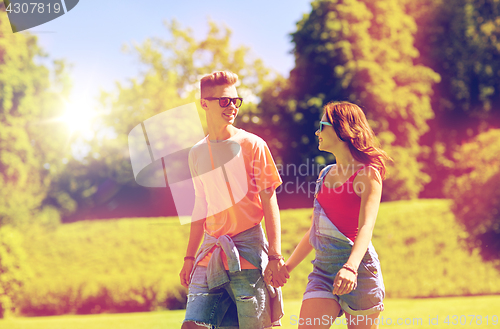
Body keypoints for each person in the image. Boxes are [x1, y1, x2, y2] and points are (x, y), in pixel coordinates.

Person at [267, 101, 392, 329]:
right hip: (323, 272)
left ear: (341, 128)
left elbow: (366, 226)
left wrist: (350, 267)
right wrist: (288, 267)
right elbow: (316, 229)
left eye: (322, 125)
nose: (317, 132)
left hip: (359, 270)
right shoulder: (324, 175)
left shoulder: (368, 174)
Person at [179, 71, 288, 329]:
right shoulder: (196, 153)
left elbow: (269, 200)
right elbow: (200, 206)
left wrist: (275, 255)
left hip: (247, 253)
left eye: (235, 101)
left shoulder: (253, 145)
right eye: (224, 101)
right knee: (192, 325)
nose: (232, 107)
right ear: (204, 103)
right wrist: (189, 257)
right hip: (210, 253)